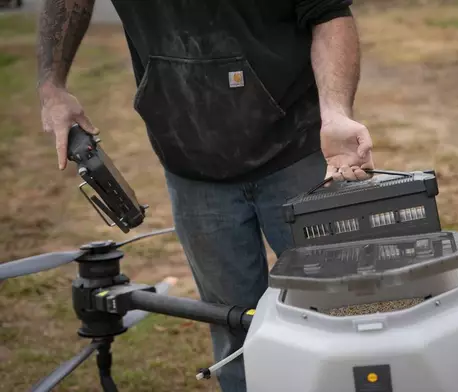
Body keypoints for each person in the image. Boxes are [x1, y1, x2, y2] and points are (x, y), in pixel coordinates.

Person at [36, 1, 375, 391]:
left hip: (296, 152)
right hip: (193, 166)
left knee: (338, 306)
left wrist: (335, 112)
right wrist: (51, 86)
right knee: (233, 328)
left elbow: (328, 13)